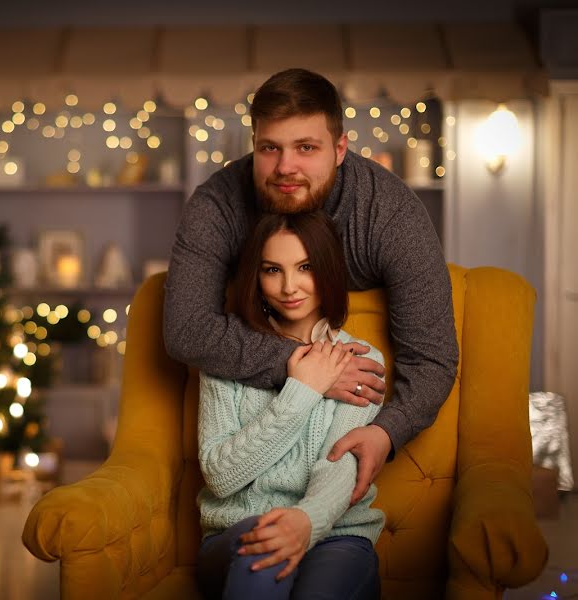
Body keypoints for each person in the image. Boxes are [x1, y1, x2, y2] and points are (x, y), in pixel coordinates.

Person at [164, 68, 458, 501]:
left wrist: (385, 433)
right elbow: (186, 329)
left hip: (344, 435)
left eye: (306, 147)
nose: (286, 167)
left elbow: (433, 359)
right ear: (254, 145)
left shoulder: (392, 214)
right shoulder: (217, 203)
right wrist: (307, 367)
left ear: (339, 149)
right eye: (270, 148)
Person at [196, 210, 384, 599]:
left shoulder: (362, 362)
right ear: (256, 277)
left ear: (328, 270)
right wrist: (303, 389)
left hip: (337, 535)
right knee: (261, 556)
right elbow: (221, 475)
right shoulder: (224, 354)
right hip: (235, 534)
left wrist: (304, 521)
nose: (289, 286)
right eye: (272, 270)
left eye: (305, 267)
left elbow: (339, 468)